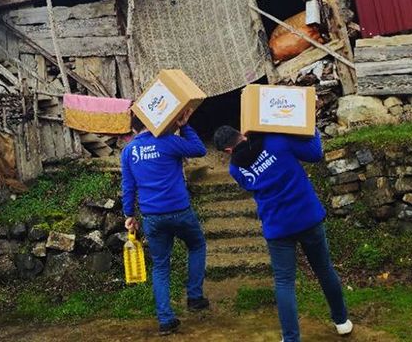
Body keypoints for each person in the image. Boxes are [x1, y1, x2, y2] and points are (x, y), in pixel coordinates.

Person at [213, 125, 353, 342]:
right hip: (308, 216)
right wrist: (311, 127)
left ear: (228, 151)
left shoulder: (236, 170)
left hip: (278, 227)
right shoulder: (276, 140)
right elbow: (315, 153)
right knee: (324, 269)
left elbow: (251, 186)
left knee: (284, 282)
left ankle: (290, 338)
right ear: (241, 133)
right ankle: (341, 321)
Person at [121, 111, 210, 336]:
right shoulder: (168, 141)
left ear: (133, 130)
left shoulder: (129, 151)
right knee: (197, 245)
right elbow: (200, 149)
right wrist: (185, 125)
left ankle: (165, 320)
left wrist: (129, 214)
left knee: (161, 266)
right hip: (180, 211)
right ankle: (195, 297)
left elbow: (128, 186)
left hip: (152, 217)